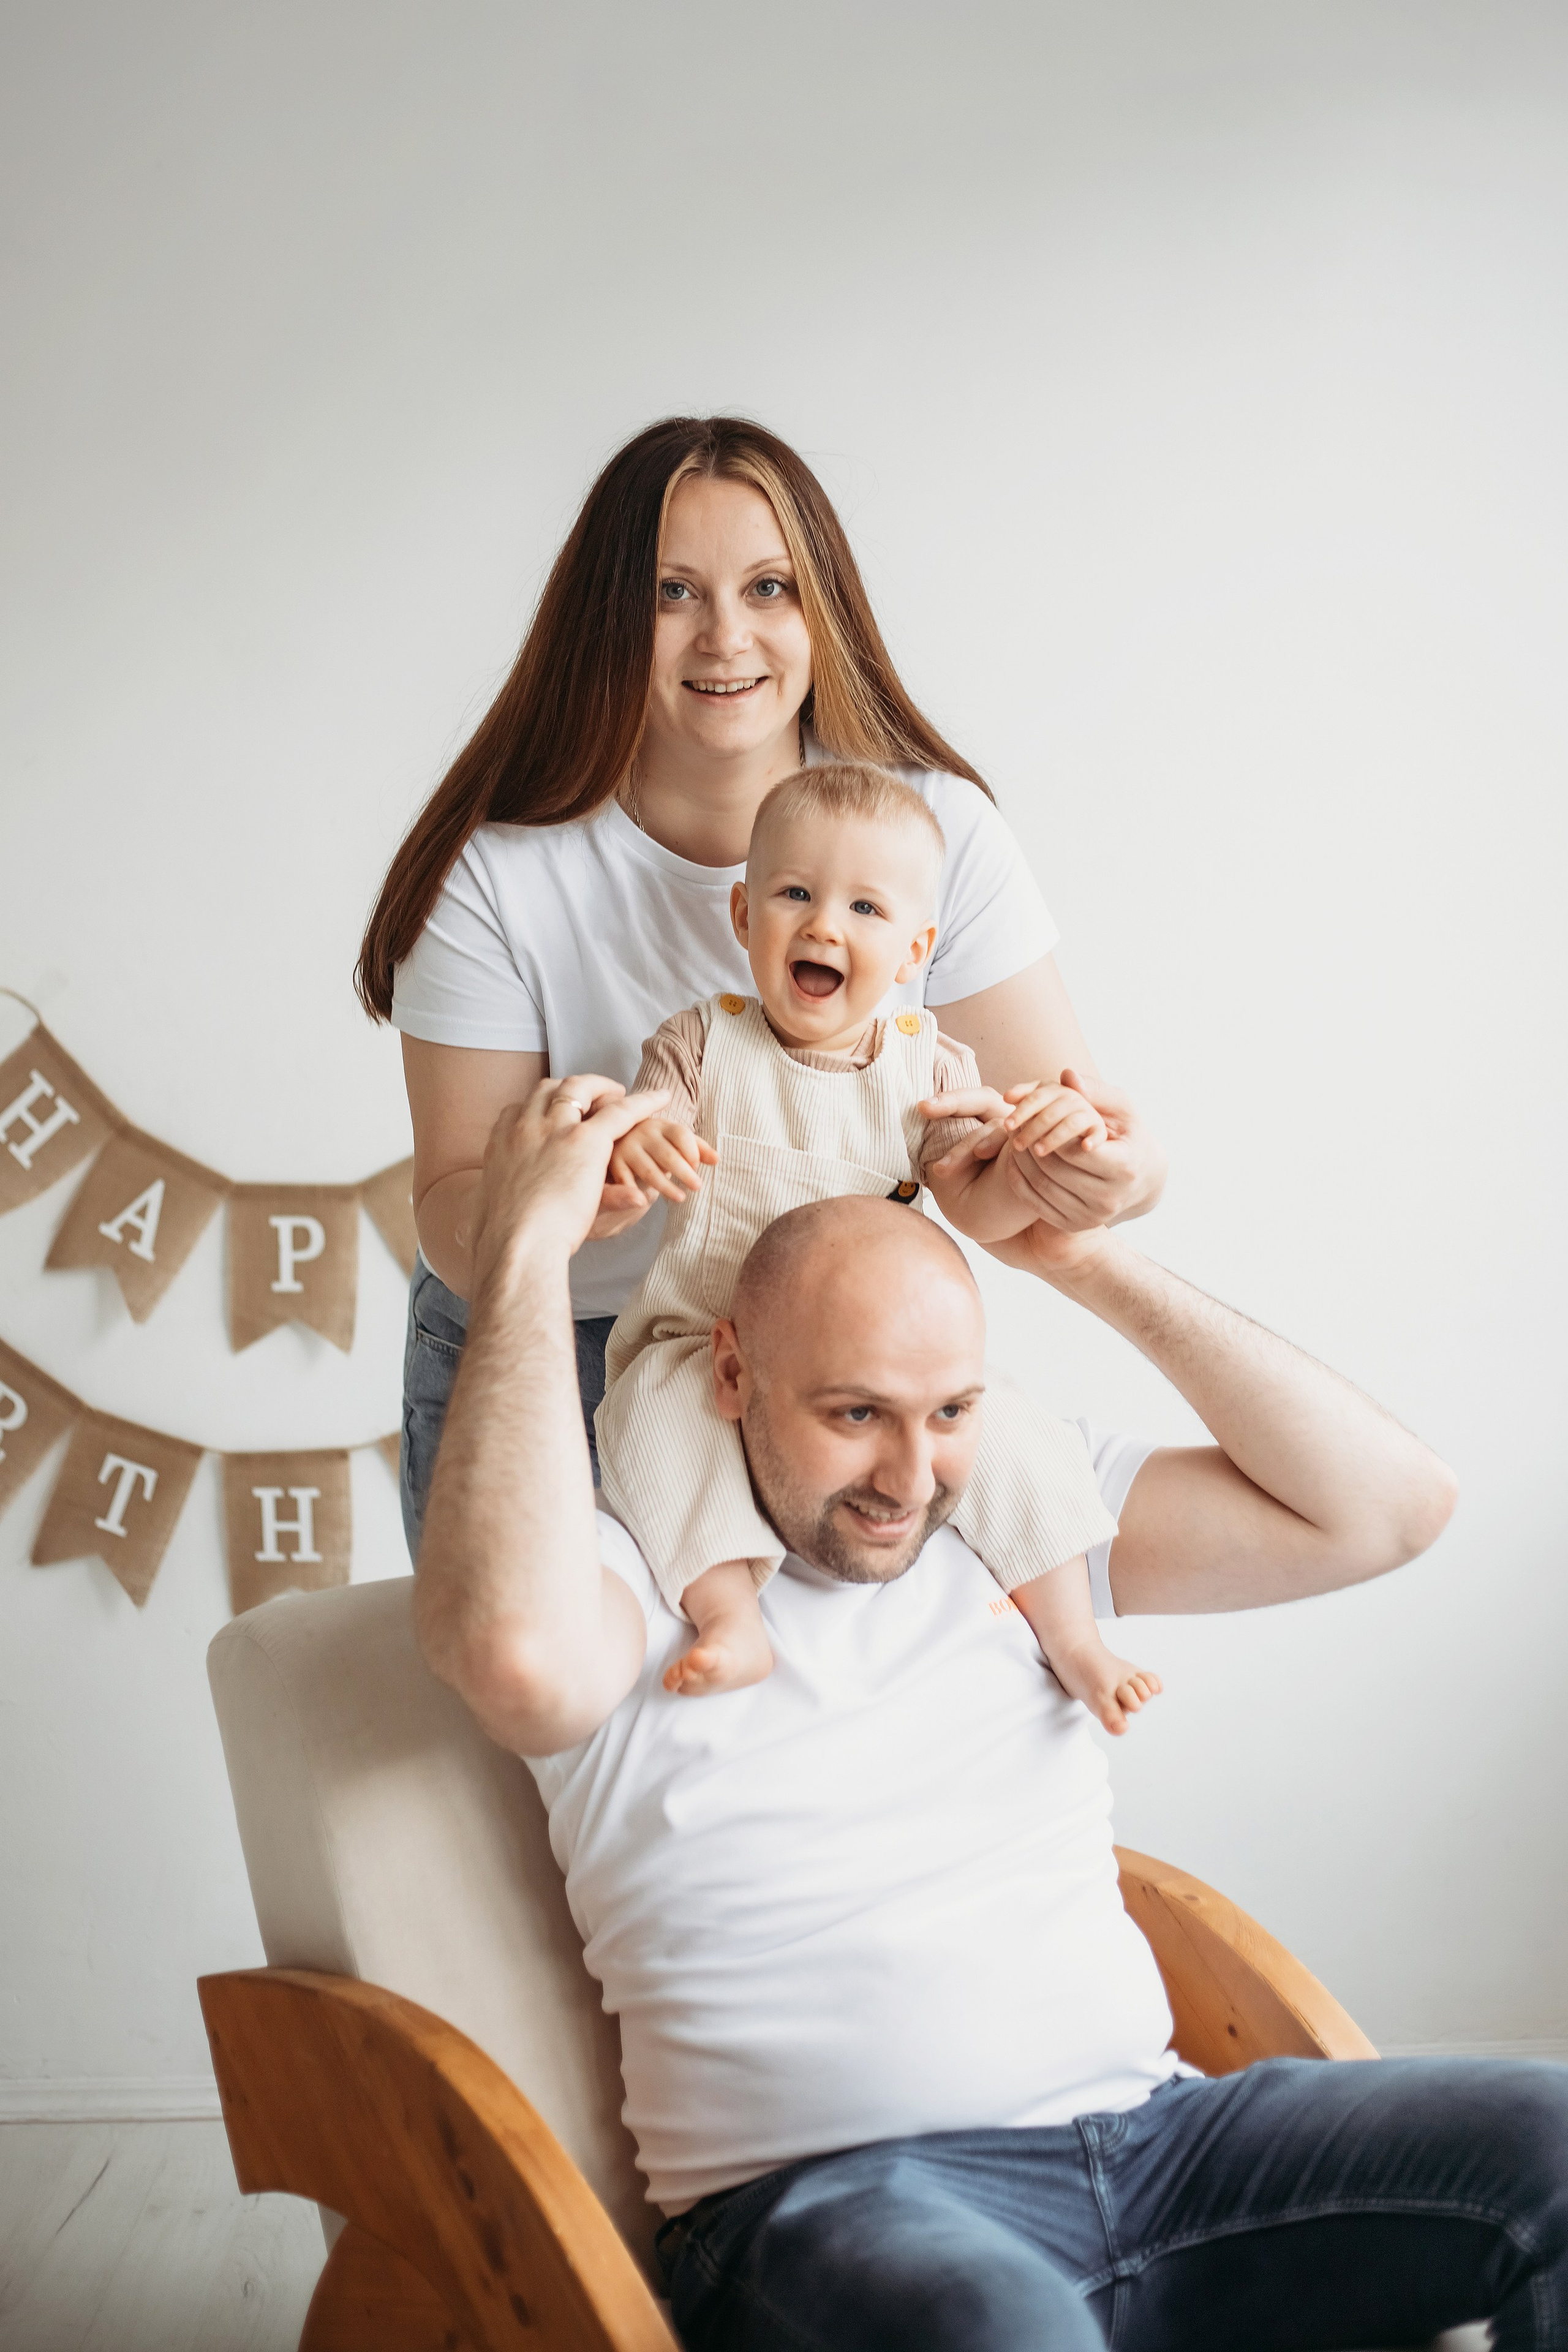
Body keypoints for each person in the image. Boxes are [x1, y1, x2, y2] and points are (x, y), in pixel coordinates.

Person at [414, 1076, 1568, 2352]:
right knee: (1001, 2328)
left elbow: (1386, 1508)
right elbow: (507, 1657)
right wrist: (518, 1251)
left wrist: (1069, 1254)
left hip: (1162, 2149)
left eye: (950, 1413)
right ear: (732, 1373)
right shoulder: (626, 1572)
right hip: (843, 2207)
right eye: (854, 1415)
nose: (910, 1480)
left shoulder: (1017, 1521)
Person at [355, 414, 1166, 1556]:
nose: (725, 635)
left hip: (846, 1365)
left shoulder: (937, 832)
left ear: (820, 606)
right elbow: (448, 1210)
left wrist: (1111, 1174)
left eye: (771, 587)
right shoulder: (496, 875)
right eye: (672, 592)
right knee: (539, 1721)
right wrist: (556, 1201)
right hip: (563, 1346)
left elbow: (1040, 1143)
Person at [597, 756, 1159, 1728]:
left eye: (866, 909)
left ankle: (1075, 1637)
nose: (824, 925)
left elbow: (977, 1204)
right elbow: (652, 1118)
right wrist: (640, 1138)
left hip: (882, 1373)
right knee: (649, 1423)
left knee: (1014, 1438)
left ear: (914, 950)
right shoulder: (701, 1044)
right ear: (743, 918)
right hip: (706, 1339)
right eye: (796, 895)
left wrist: (1027, 1151)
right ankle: (728, 1616)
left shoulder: (929, 1067)